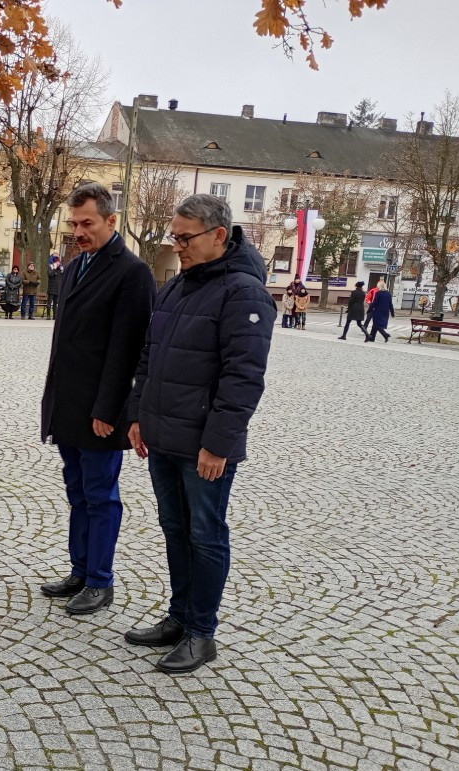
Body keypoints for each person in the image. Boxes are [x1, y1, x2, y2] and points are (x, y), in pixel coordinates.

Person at [123, 193, 276, 673]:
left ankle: (202, 632)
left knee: (205, 534)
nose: (178, 245)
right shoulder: (177, 286)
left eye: (184, 237)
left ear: (217, 235)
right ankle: (179, 616)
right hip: (164, 436)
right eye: (175, 235)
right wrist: (138, 414)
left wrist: (218, 444)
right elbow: (149, 358)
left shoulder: (244, 292)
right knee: (175, 530)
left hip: (204, 446)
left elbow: (243, 376)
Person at [39, 182, 156, 616]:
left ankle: (100, 581)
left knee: (101, 495)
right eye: (73, 223)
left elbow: (128, 349)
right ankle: (80, 570)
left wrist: (108, 410)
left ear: (111, 220)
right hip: (67, 404)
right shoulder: (75, 267)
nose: (78, 231)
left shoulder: (132, 273)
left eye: (87, 223)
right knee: (77, 492)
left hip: (100, 412)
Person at [47, 253, 63, 319]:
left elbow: (62, 277)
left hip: (57, 289)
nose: (58, 263)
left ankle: (55, 316)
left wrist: (62, 270)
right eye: (56, 262)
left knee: (55, 304)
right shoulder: (50, 268)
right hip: (51, 288)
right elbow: (50, 275)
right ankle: (48, 315)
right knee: (49, 303)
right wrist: (54, 268)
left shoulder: (60, 270)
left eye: (58, 262)